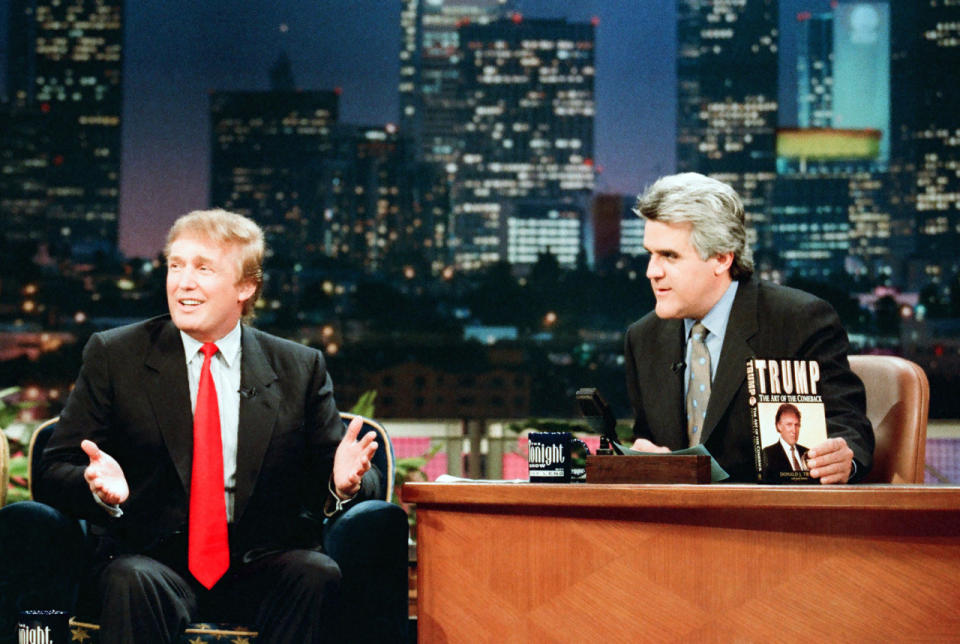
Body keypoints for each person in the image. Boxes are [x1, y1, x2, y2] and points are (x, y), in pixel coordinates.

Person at [22, 209, 407, 643]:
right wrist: (96, 489)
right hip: (151, 561)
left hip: (262, 560)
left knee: (316, 573)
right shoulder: (116, 356)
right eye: (175, 266)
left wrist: (345, 484)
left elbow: (357, 479)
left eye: (203, 269)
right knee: (129, 578)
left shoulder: (299, 367)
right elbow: (54, 470)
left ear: (246, 287)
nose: (183, 282)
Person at [624, 173, 874, 483]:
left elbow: (845, 424)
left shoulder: (800, 322)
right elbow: (648, 436)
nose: (652, 271)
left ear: (721, 258)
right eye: (651, 254)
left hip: (770, 521)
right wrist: (644, 456)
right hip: (677, 523)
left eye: (669, 256)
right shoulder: (643, 339)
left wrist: (839, 459)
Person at [761, 403, 809, 481]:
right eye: (789, 424)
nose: (794, 430)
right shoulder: (768, 454)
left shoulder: (807, 452)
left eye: (797, 425)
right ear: (779, 426)